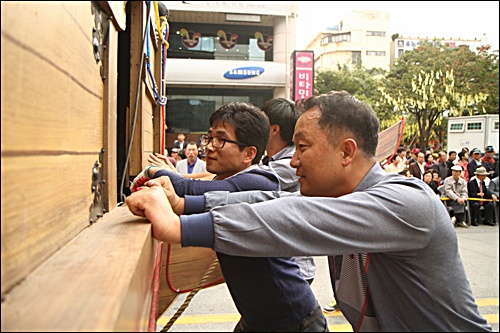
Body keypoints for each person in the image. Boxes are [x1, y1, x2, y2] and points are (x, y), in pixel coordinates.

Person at [126, 90, 492, 331]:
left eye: (302, 147)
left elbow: (297, 218)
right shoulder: (337, 200)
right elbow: (274, 204)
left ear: (346, 152)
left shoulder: (405, 202)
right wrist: (183, 205)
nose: (293, 161)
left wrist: (178, 227)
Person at [131, 101, 328, 332]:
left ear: (249, 153)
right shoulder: (224, 181)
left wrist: (150, 172)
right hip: (258, 319)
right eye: (209, 137)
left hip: (294, 322)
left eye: (221, 140)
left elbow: (189, 190)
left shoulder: (256, 181)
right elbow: (189, 193)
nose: (210, 147)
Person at [259, 97, 317, 286]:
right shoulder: (265, 160)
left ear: (274, 129)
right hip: (274, 261)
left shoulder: (289, 165)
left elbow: (243, 181)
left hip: (293, 267)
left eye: (260, 122)